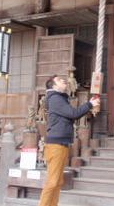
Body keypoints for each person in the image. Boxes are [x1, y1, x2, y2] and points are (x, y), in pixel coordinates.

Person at [38, 74, 100, 206]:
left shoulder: (59, 98)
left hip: (61, 143)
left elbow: (71, 114)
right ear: (53, 85)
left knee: (57, 180)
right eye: (60, 80)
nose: (64, 81)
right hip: (56, 144)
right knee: (52, 181)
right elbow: (73, 113)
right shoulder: (55, 98)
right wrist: (90, 104)